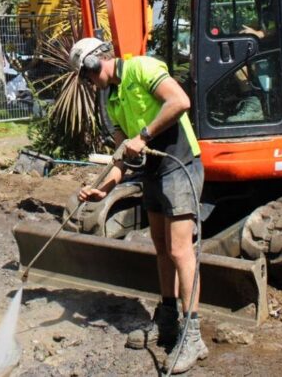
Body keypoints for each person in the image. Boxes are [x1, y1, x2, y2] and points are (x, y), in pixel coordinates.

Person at [70, 37, 207, 374]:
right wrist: (101, 189)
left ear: (92, 63)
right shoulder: (113, 100)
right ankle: (168, 320)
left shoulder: (143, 68)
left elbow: (180, 101)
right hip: (153, 173)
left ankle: (193, 336)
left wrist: (143, 136)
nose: (88, 83)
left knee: (180, 250)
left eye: (86, 76)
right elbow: (121, 159)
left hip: (180, 165)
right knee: (160, 247)